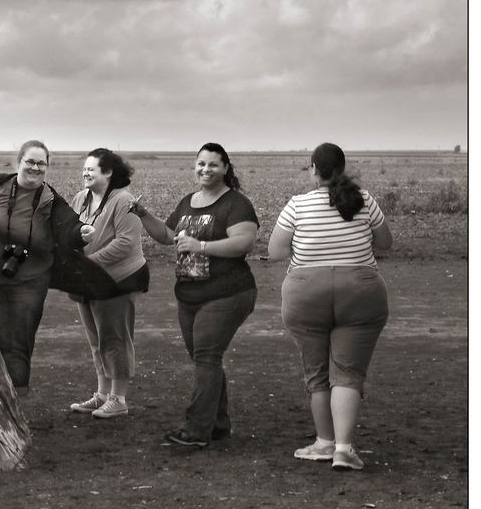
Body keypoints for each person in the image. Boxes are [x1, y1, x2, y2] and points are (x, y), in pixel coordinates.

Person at [267, 142, 392, 471]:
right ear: (343, 167)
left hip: (306, 293)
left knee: (318, 374)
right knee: (347, 374)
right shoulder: (364, 200)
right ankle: (343, 449)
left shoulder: (297, 205)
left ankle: (323, 442)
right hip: (361, 292)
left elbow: (276, 252)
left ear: (313, 169)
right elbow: (385, 242)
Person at [130, 143, 258, 446]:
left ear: (225, 168)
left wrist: (201, 246)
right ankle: (218, 424)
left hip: (228, 292)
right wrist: (142, 213)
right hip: (189, 294)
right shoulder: (189, 201)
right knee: (204, 359)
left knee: (206, 356)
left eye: (213, 164)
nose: (205, 169)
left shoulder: (236, 204)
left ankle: (197, 430)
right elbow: (166, 235)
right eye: (201, 163)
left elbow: (244, 242)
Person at [0, 140, 96, 395]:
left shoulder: (50, 199)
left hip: (26, 285)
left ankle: (10, 412)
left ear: (47, 168)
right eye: (30, 161)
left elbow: (68, 226)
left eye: (42, 163)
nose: (35, 167)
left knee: (16, 346)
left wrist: (81, 233)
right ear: (18, 162)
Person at [68, 149, 149, 419]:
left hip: (118, 280)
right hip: (87, 281)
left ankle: (119, 399)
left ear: (109, 172)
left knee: (114, 339)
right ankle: (102, 395)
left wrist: (88, 262)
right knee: (96, 340)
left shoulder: (123, 200)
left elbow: (126, 243)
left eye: (92, 169)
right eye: (85, 169)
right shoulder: (80, 199)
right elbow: (68, 231)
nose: (86, 173)